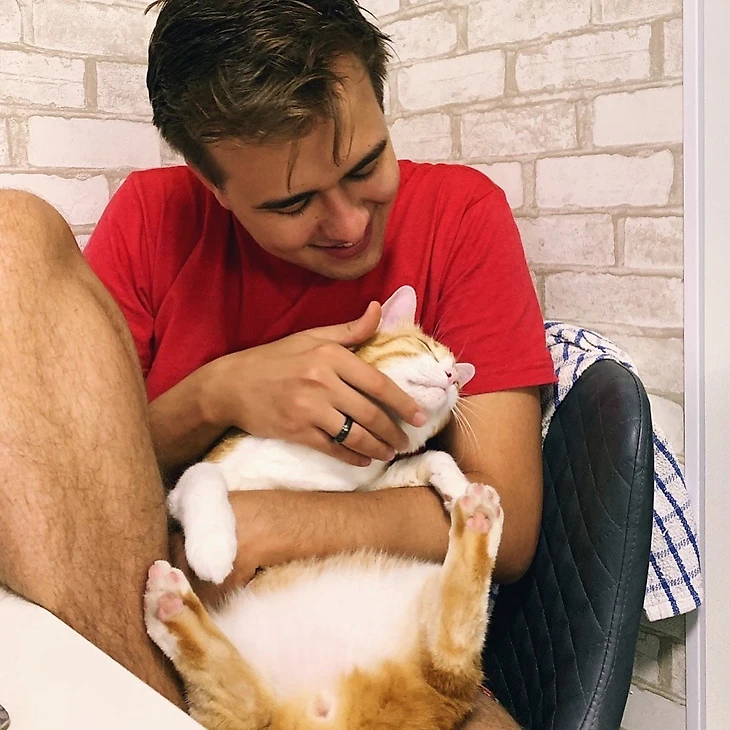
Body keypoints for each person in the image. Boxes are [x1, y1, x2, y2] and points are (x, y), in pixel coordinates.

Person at [0, 0, 556, 726]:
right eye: (293, 203)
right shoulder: (152, 217)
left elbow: (508, 526)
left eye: (366, 164)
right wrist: (217, 395)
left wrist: (278, 524)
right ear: (214, 189)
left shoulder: (459, 214)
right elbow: (69, 490)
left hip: (381, 654)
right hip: (169, 649)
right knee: (14, 232)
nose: (350, 224)